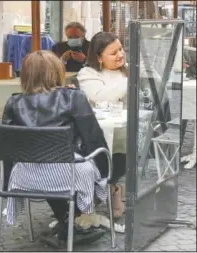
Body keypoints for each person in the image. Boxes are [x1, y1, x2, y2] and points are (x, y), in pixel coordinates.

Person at [1, 50, 110, 245]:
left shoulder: (13, 102)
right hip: (66, 173)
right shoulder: (72, 97)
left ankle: (67, 221)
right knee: (87, 167)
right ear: (57, 72)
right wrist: (105, 171)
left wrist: (7, 183)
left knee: (57, 164)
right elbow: (92, 138)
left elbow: (8, 146)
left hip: (25, 176)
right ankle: (72, 224)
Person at [77, 32, 129, 218]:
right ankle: (108, 190)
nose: (121, 55)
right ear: (99, 58)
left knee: (124, 152)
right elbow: (100, 96)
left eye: (121, 49)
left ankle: (112, 187)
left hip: (125, 133)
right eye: (114, 53)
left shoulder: (128, 70)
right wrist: (132, 81)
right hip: (97, 135)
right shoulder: (87, 74)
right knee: (98, 164)